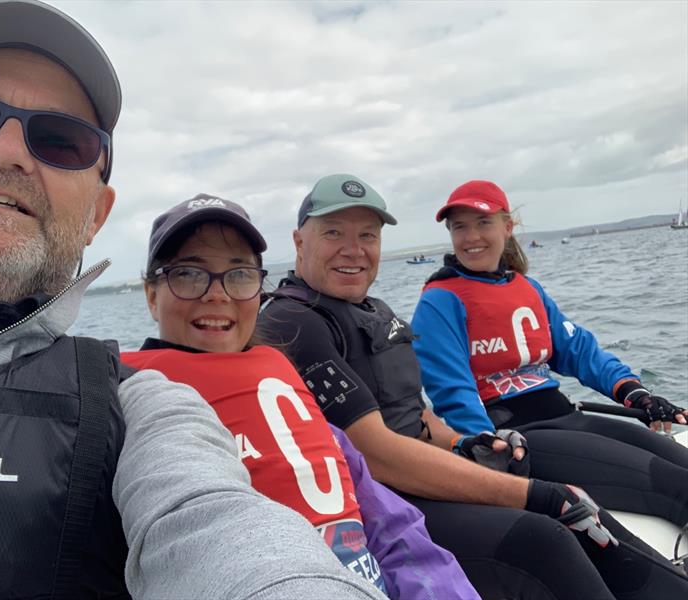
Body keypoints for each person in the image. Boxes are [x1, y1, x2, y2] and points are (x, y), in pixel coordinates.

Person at [0, 3, 389, 599]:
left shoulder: (137, 404)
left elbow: (213, 518)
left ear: (98, 214)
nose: (5, 151)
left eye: (60, 140)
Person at [257, 173, 688, 599]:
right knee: (546, 536)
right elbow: (379, 451)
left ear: (507, 228)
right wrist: (530, 490)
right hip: (383, 501)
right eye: (334, 232)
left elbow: (416, 414)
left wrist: (466, 444)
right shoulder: (294, 323)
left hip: (431, 469)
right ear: (299, 242)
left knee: (584, 511)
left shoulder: (374, 310)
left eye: (367, 235)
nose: (354, 249)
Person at [120, 194, 481, 599]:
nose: (217, 294)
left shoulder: (279, 379)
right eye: (188, 274)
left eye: (239, 274)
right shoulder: (128, 397)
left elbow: (392, 525)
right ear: (152, 295)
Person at [411, 179, 688, 528]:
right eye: (459, 227)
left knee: (680, 461)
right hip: (518, 436)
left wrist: (636, 393)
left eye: (483, 223)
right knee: (676, 487)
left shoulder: (527, 288)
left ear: (507, 228)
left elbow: (578, 350)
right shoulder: (440, 300)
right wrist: (491, 451)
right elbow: (452, 391)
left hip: (566, 418)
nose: (470, 238)